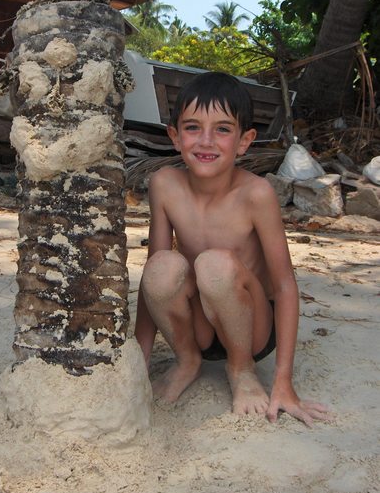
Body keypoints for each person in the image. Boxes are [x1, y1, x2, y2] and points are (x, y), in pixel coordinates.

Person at [134, 71, 328, 426]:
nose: (206, 141)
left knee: (215, 264)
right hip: (199, 326)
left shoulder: (256, 194)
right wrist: (137, 362)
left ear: (244, 140)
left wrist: (283, 381)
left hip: (250, 327)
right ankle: (188, 360)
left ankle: (241, 369)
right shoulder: (164, 185)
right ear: (175, 136)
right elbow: (153, 284)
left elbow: (285, 286)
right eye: (193, 128)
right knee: (161, 266)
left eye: (222, 129)